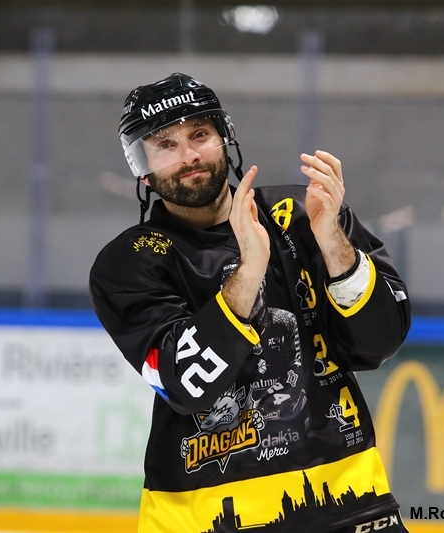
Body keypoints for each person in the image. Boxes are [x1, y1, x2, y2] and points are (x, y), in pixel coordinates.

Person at [89, 73, 412, 533]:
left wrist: (334, 245)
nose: (189, 155)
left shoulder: (304, 214)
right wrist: (250, 270)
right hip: (206, 522)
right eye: (165, 145)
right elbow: (185, 386)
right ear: (142, 167)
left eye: (200, 134)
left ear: (226, 138)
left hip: (350, 505)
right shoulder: (131, 262)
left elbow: (379, 342)